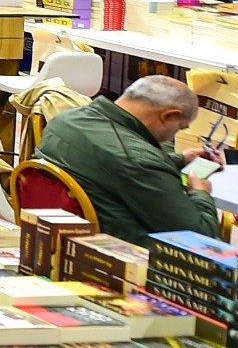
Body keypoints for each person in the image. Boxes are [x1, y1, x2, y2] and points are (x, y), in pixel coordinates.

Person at [38, 74, 220, 243]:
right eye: (180, 127)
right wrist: (200, 192)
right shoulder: (139, 160)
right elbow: (198, 236)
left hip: (52, 239)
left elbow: (111, 166)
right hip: (125, 258)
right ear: (168, 115)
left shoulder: (64, 120)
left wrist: (180, 159)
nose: (174, 134)